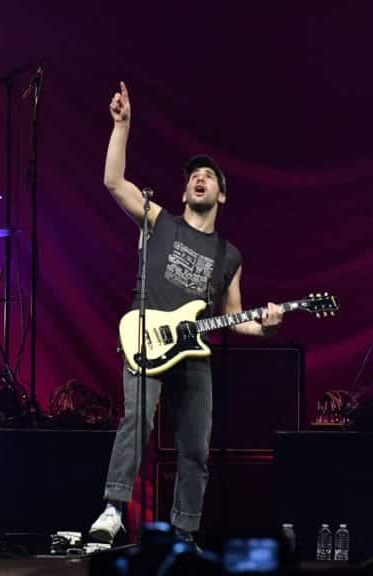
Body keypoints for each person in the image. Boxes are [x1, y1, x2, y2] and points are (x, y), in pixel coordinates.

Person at [88, 82, 284, 547]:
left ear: (222, 195)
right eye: (194, 174)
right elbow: (114, 182)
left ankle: (185, 534)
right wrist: (122, 126)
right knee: (139, 421)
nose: (200, 178)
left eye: (209, 176)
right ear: (184, 190)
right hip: (147, 335)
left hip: (194, 353)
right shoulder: (161, 222)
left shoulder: (229, 255)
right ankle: (114, 511)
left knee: (195, 448)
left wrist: (267, 323)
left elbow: (235, 317)